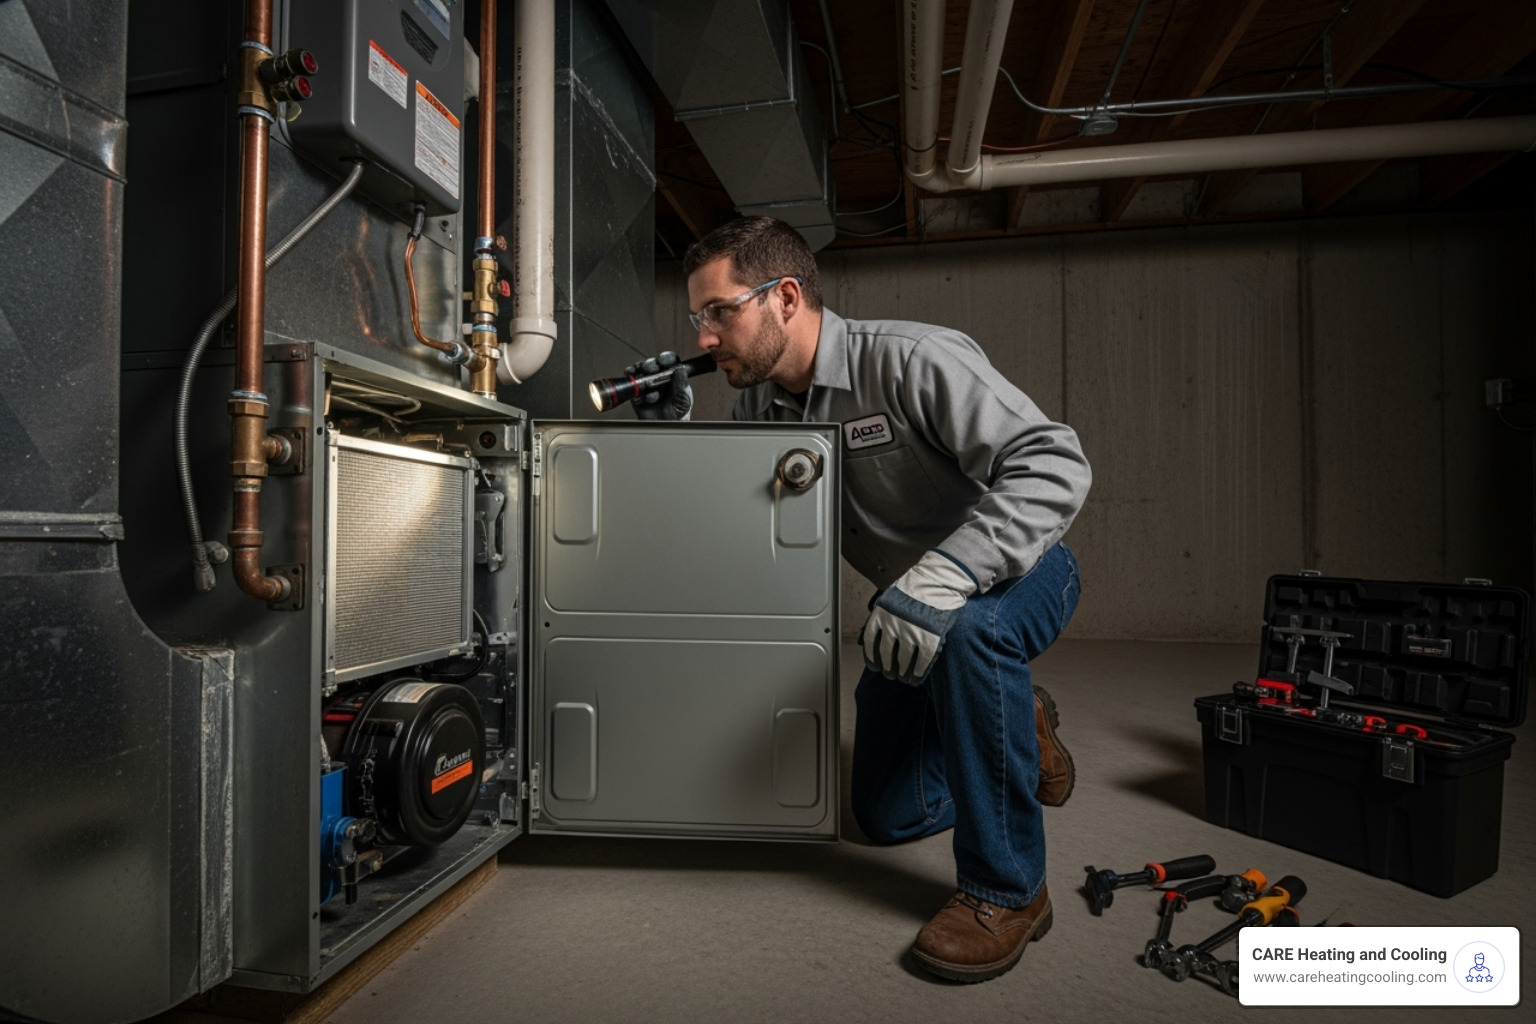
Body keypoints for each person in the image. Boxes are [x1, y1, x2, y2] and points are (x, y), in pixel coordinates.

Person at [634, 216, 1091, 983]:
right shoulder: (761, 408)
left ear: (784, 297)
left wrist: (946, 575)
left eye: (720, 312)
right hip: (909, 618)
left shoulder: (913, 359)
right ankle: (1019, 722)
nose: (705, 338)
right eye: (697, 320)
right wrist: (674, 442)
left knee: (976, 635)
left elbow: (1056, 463)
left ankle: (1009, 892)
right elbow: (744, 539)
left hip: (1017, 576)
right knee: (886, 817)